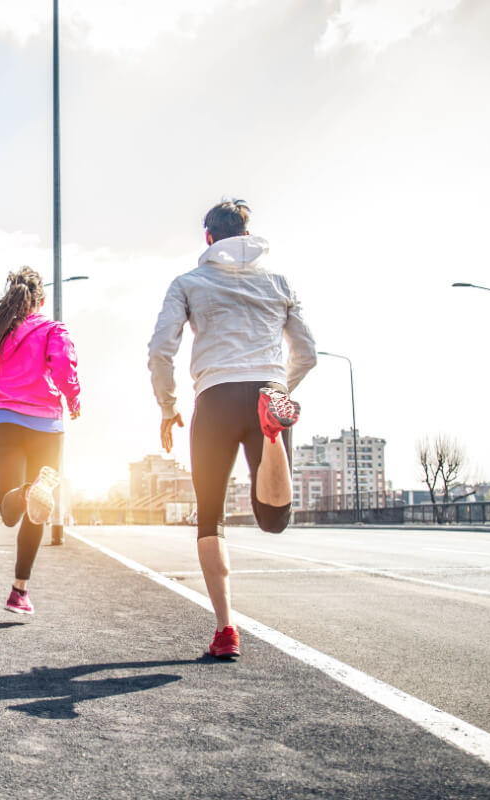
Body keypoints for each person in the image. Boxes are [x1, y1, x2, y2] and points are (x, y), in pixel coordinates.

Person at [147, 199, 316, 660]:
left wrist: (168, 406)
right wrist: (280, 385)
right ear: (247, 234)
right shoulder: (279, 282)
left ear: (208, 239)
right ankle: (273, 431)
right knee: (274, 520)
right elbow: (308, 351)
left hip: (215, 397)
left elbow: (161, 350)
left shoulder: (188, 282)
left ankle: (226, 629)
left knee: (210, 517)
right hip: (267, 388)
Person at [0, 267, 81, 615]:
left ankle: (30, 489)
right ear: (41, 301)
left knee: (10, 510)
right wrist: (73, 399)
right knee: (38, 511)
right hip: (47, 425)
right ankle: (19, 591)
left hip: (3, 423)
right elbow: (64, 366)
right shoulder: (51, 329)